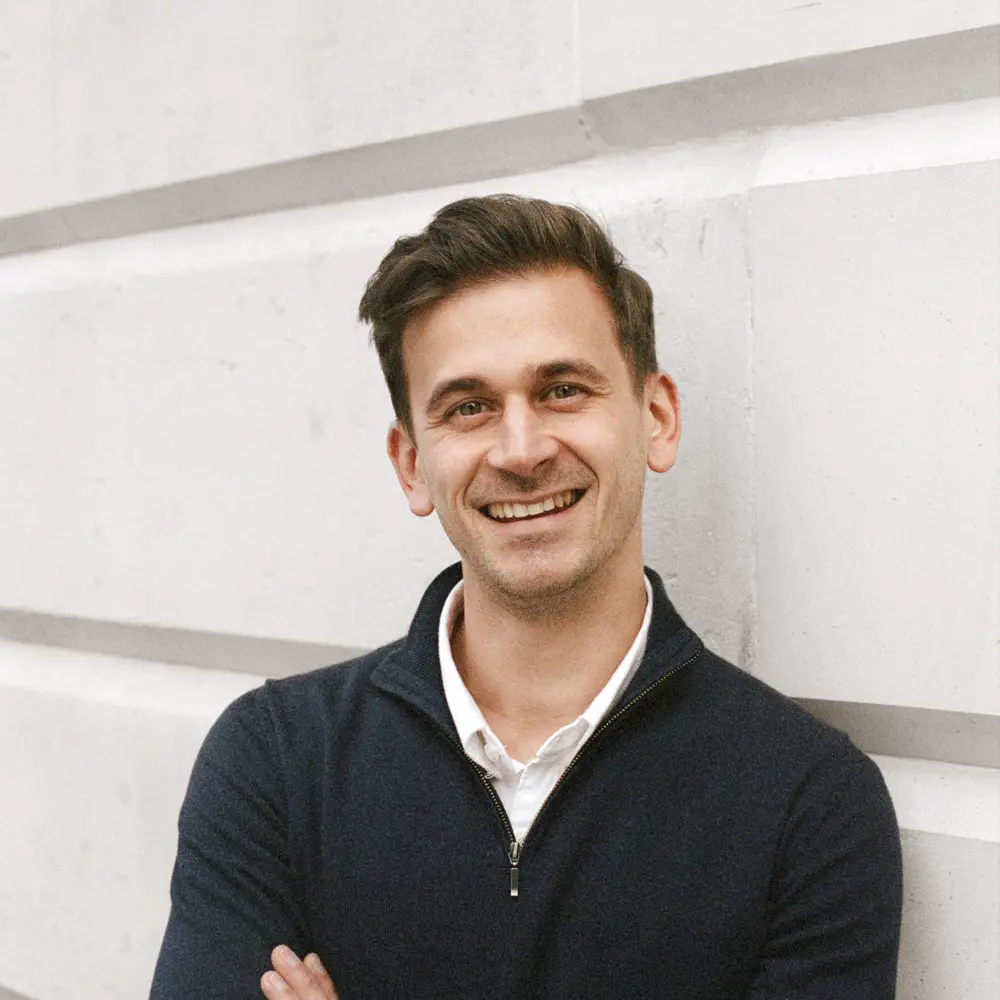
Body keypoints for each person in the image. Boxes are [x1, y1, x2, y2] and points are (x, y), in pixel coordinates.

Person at [149, 194, 903, 1000]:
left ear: (656, 418)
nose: (521, 449)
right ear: (411, 464)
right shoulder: (278, 764)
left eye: (563, 390)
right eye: (469, 407)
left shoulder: (806, 804)